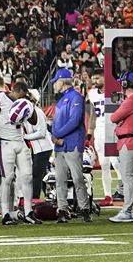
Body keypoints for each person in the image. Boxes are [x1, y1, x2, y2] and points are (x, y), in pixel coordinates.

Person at [0, 82, 41, 225]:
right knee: (7, 178)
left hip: (20, 141)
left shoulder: (24, 101)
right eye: (23, 95)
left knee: (27, 177)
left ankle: (28, 211)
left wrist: (30, 105)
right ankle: (5, 214)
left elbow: (34, 121)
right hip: (6, 143)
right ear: (18, 91)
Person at [50, 68, 91, 223]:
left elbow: (74, 121)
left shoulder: (76, 97)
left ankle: (84, 208)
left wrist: (57, 135)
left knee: (77, 177)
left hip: (71, 143)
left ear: (62, 81)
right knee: (60, 179)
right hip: (62, 144)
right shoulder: (64, 99)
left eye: (56, 81)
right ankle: (62, 209)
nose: (55, 84)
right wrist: (56, 136)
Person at [109, 71, 133, 223]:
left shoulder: (130, 101)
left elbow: (114, 117)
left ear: (124, 84)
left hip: (128, 143)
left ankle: (127, 210)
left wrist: (121, 123)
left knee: (128, 177)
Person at [86, 68, 122, 206]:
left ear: (105, 78)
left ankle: (124, 187)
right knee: (104, 164)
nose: (95, 81)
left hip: (112, 129)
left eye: (97, 78)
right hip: (100, 131)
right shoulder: (92, 94)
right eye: (93, 78)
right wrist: (89, 133)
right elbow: (93, 115)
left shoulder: (114, 92)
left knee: (115, 161)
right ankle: (108, 196)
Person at [23, 90, 53, 199]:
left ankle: (35, 198)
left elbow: (42, 133)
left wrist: (25, 137)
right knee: (42, 173)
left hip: (44, 148)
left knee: (36, 174)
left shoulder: (38, 112)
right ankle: (49, 195)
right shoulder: (27, 113)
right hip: (37, 148)